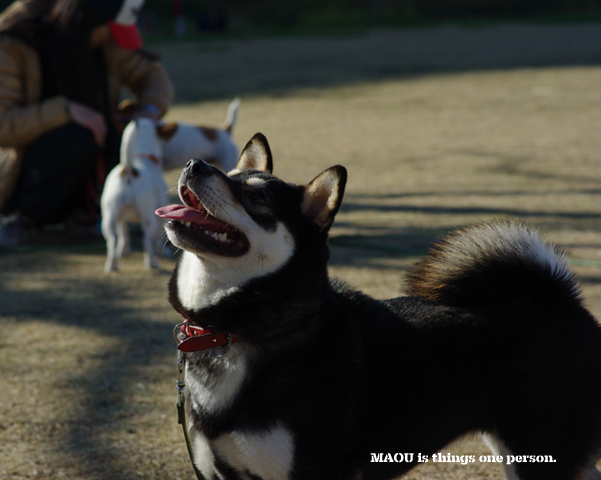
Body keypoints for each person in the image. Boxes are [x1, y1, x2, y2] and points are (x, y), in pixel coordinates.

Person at [0, 0, 173, 247]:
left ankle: (93, 217)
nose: (110, 38)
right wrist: (65, 111)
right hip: (27, 176)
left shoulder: (105, 36)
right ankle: (20, 222)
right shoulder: (14, 42)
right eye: (108, 29)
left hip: (91, 164)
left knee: (124, 132)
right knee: (76, 138)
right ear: (85, 19)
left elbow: (152, 76)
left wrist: (147, 112)